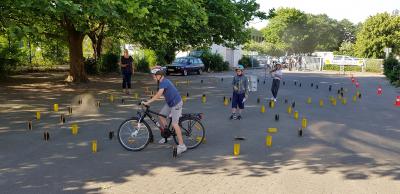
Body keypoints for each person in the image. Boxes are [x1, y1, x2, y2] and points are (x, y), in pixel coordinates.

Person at [143, 66, 187, 155]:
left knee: (175, 124)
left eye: (154, 75)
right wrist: (154, 67)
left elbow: (158, 95)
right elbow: (160, 67)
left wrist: (148, 102)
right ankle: (166, 134)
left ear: (159, 75)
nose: (153, 77)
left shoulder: (164, 82)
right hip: (170, 103)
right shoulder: (161, 81)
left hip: (176, 104)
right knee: (161, 116)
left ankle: (182, 146)